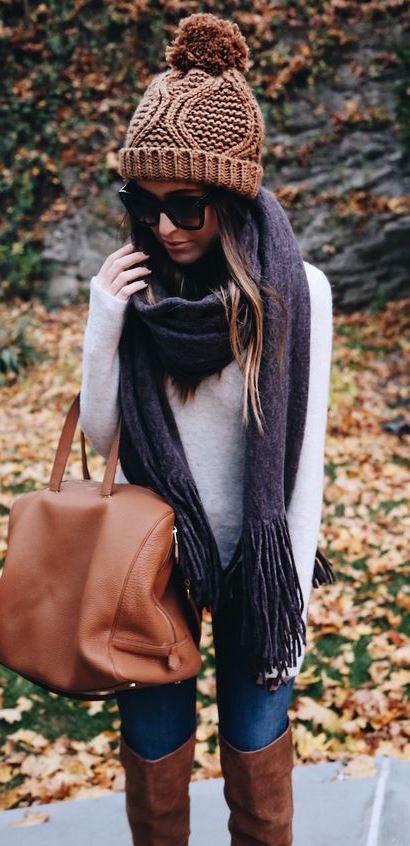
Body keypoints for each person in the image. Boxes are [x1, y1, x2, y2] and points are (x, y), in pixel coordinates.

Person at [79, 12, 333, 846]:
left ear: (230, 196)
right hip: (156, 567)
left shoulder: (300, 294)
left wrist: (284, 597)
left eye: (185, 205)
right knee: (156, 765)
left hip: (255, 569)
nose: (163, 227)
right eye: (142, 205)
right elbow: (102, 437)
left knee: (259, 764)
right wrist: (105, 321)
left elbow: (304, 470)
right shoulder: (137, 296)